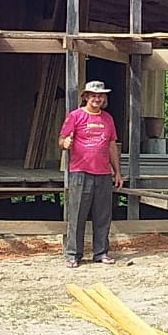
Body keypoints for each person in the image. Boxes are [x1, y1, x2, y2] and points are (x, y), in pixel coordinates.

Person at [58, 80, 124, 269]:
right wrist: (65, 144)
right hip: (80, 172)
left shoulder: (108, 119)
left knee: (103, 215)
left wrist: (117, 172)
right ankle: (73, 254)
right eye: (93, 95)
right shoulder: (75, 116)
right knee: (77, 214)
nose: (97, 98)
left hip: (103, 173)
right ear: (86, 97)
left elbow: (112, 146)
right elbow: (61, 139)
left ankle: (101, 252)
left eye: (101, 95)